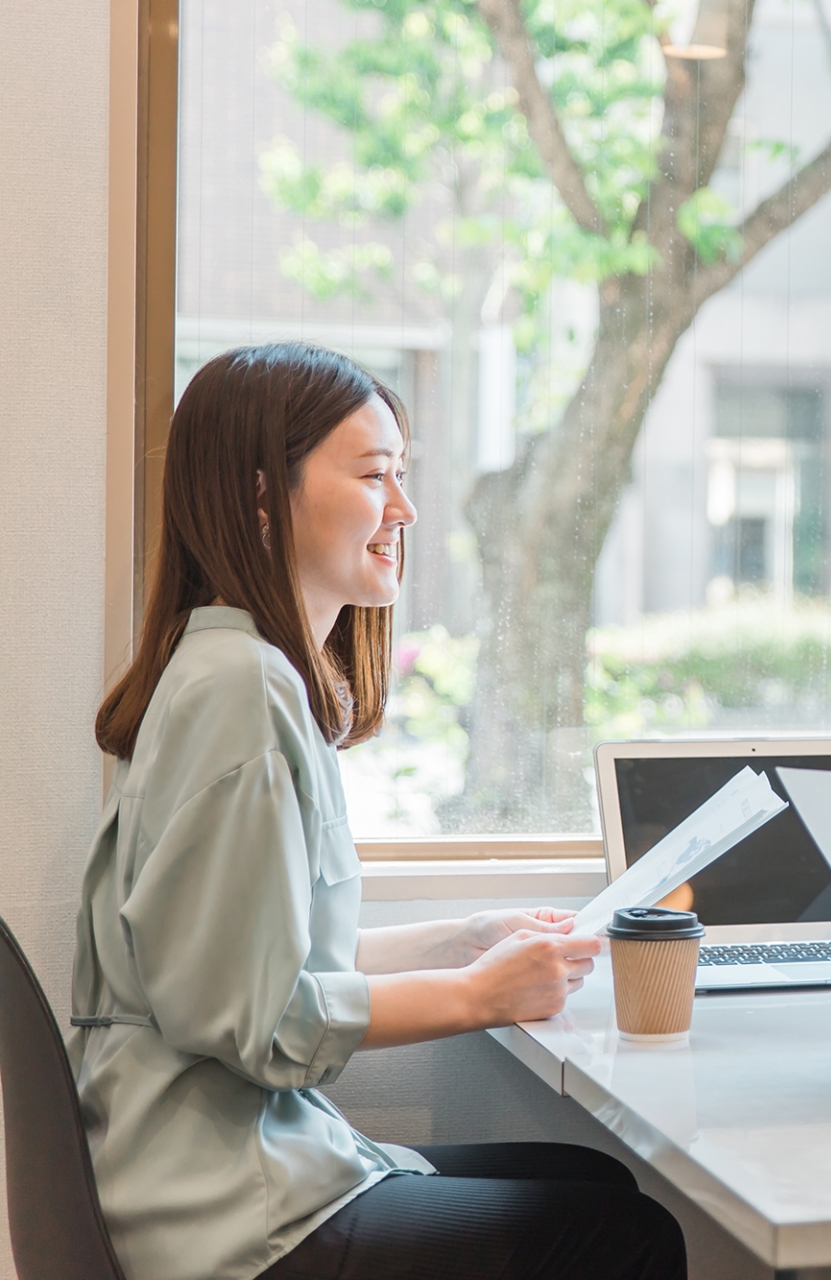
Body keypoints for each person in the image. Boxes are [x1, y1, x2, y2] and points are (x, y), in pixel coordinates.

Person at [72, 343, 686, 1280]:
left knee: (596, 1186)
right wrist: (482, 994)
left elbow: (254, 953)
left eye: (403, 477)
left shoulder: (241, 673)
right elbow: (254, 1018)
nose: (402, 509)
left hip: (242, 1180)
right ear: (262, 497)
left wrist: (464, 938)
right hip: (234, 1219)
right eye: (372, 476)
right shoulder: (240, 689)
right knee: (627, 1235)